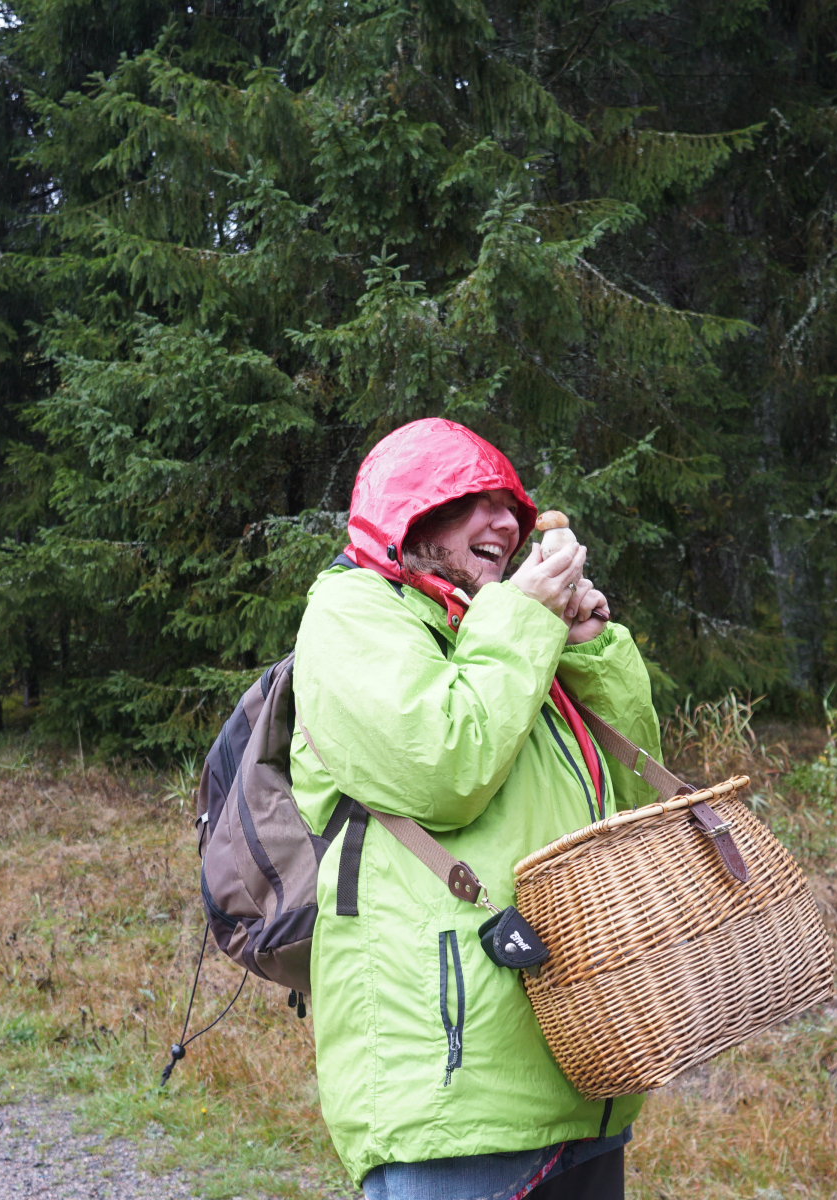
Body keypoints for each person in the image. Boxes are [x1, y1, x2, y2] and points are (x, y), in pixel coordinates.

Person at [290, 418, 664, 1200]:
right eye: (474, 502)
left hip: (583, 1060)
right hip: (454, 1090)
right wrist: (524, 618)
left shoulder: (499, 631)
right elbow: (443, 768)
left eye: (511, 508)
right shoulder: (355, 612)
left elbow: (631, 797)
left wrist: (588, 646)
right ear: (410, 515)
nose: (506, 523)